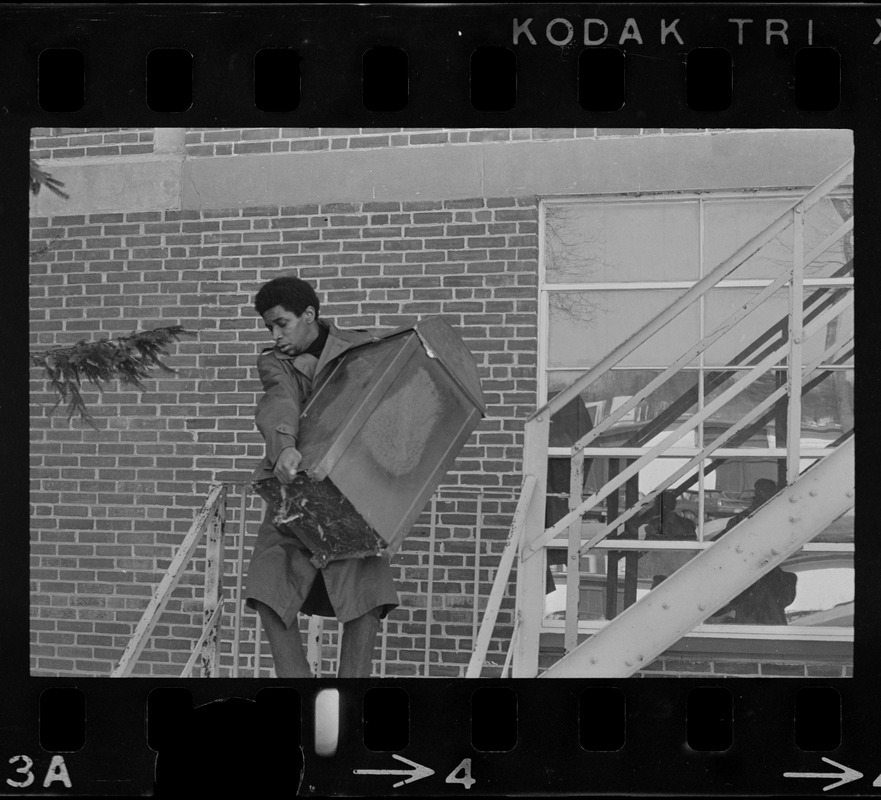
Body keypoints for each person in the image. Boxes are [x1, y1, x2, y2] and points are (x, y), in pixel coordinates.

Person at [243, 276, 399, 677]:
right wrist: (284, 446)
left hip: (355, 495)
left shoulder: (363, 348)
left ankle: (351, 698)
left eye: (282, 323)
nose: (276, 335)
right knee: (267, 587)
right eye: (269, 328)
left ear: (309, 314)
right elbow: (279, 401)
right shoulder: (276, 362)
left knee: (364, 598)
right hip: (295, 492)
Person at [707, 478, 797, 625]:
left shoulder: (744, 520)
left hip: (756, 598)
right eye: (761, 494)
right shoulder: (743, 520)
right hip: (752, 594)